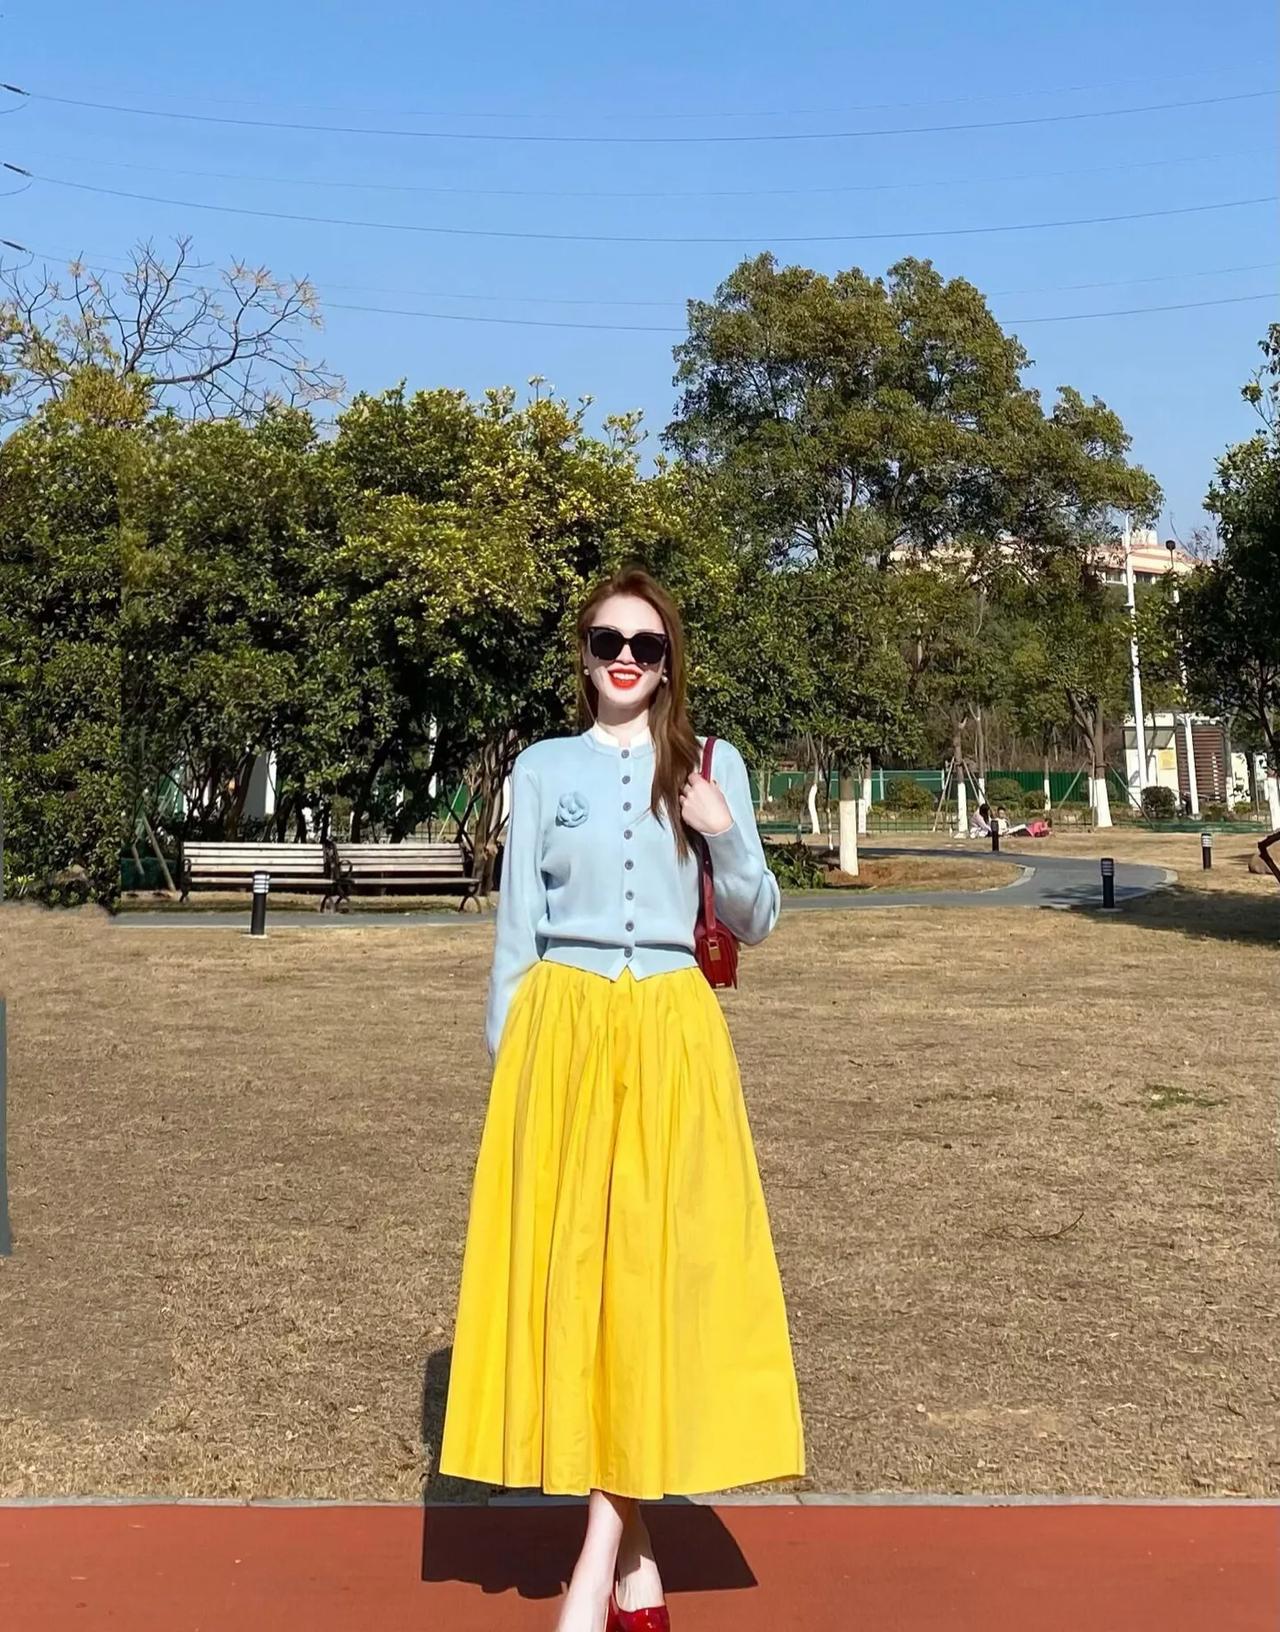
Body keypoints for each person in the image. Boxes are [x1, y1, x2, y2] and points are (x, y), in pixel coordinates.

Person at [438, 565, 805, 1631]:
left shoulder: (712, 764)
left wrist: (723, 830)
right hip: (562, 1030)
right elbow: (516, 931)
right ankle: (635, 1568)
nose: (627, 660)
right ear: (586, 657)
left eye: (646, 644)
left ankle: (594, 1562)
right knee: (582, 1289)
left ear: (670, 659)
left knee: (654, 1283)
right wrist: (509, 1060)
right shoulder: (542, 767)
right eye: (608, 643)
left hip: (674, 1033)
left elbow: (756, 919)